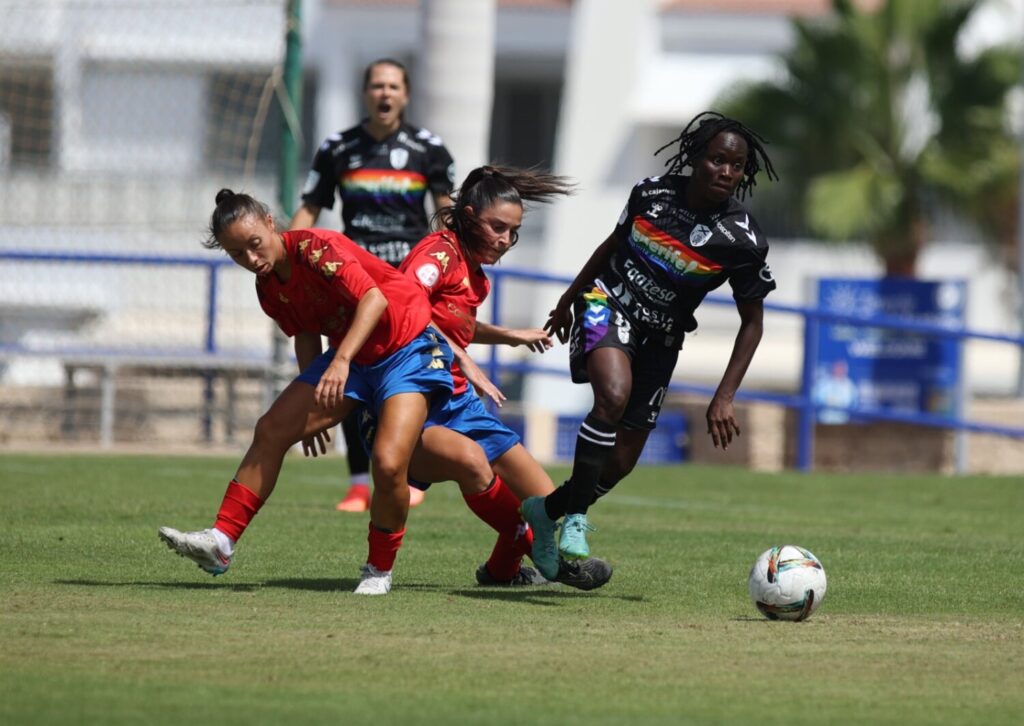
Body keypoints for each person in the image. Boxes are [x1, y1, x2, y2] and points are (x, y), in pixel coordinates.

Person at [158, 190, 453, 596]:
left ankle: (379, 570)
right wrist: (314, 408)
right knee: (272, 428)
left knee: (387, 464)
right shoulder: (268, 289)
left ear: (269, 221)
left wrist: (341, 361)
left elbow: (374, 299)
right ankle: (221, 541)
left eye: (254, 244)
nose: (251, 259)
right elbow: (306, 334)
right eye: (237, 254)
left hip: (406, 348)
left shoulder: (316, 248)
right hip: (354, 357)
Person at [521, 111, 779, 576]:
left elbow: (753, 323)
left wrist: (724, 396)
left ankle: (545, 512)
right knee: (613, 397)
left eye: (736, 166)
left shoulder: (742, 239)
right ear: (696, 157)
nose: (726, 171)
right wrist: (568, 299)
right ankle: (576, 517)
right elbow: (611, 247)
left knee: (620, 462)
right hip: (609, 300)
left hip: (662, 337)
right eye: (717, 159)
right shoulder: (651, 193)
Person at [356, 165, 613, 589]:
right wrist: (466, 362)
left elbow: (452, 324)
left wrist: (509, 337)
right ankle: (547, 560)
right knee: (472, 461)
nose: (505, 239)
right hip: (416, 401)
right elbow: (405, 303)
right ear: (470, 215)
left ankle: (502, 571)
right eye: (497, 227)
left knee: (544, 497)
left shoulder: (472, 269)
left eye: (512, 232)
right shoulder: (438, 253)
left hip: (458, 403)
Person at [290, 58, 456, 514]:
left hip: (408, 283)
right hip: (351, 281)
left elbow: (447, 214)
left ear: (405, 95)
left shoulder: (429, 149)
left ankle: (414, 472)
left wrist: (452, 265)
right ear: (365, 93)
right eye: (377, 86)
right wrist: (286, 257)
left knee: (416, 374)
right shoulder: (338, 147)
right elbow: (311, 207)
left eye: (393, 86)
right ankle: (360, 482)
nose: (385, 93)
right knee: (347, 373)